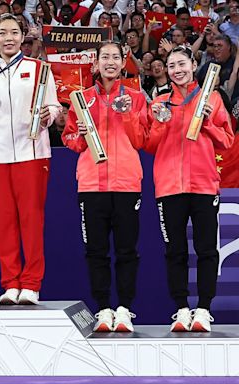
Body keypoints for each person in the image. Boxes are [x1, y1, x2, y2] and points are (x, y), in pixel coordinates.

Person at [146, 46, 234, 332]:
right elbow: (148, 145)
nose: (177, 70)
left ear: (193, 63)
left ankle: (204, 310)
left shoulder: (213, 98)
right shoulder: (160, 102)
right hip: (170, 187)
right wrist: (159, 122)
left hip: (204, 185)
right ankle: (182, 309)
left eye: (181, 63)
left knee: (207, 250)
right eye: (171, 65)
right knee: (175, 251)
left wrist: (207, 121)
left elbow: (227, 142)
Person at [0, 14, 60, 305]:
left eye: (14, 32)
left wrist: (51, 115)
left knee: (31, 220)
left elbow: (54, 106)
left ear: (22, 37)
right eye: (3, 33)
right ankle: (10, 283)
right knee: (4, 221)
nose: (8, 38)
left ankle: (32, 284)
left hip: (32, 153)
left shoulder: (39, 70)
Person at [63, 41, 148, 332]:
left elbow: (141, 141)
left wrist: (126, 115)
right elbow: (70, 140)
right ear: (96, 64)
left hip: (126, 184)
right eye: (105, 57)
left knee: (127, 251)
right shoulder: (82, 98)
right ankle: (102, 309)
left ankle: (124, 309)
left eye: (116, 57)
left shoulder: (136, 97)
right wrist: (81, 135)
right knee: (96, 251)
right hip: (91, 185)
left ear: (124, 63)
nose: (110, 62)